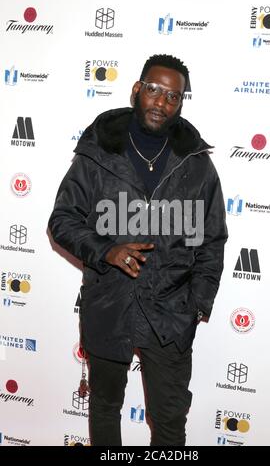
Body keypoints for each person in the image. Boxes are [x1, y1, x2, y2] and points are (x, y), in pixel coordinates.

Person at [48, 54, 228, 446]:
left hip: (170, 312)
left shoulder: (195, 164)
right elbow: (61, 221)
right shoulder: (98, 154)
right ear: (137, 89)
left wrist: (197, 305)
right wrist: (106, 250)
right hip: (110, 304)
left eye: (172, 96)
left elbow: (212, 240)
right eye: (154, 90)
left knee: (168, 422)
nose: (161, 102)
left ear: (180, 103)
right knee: (105, 409)